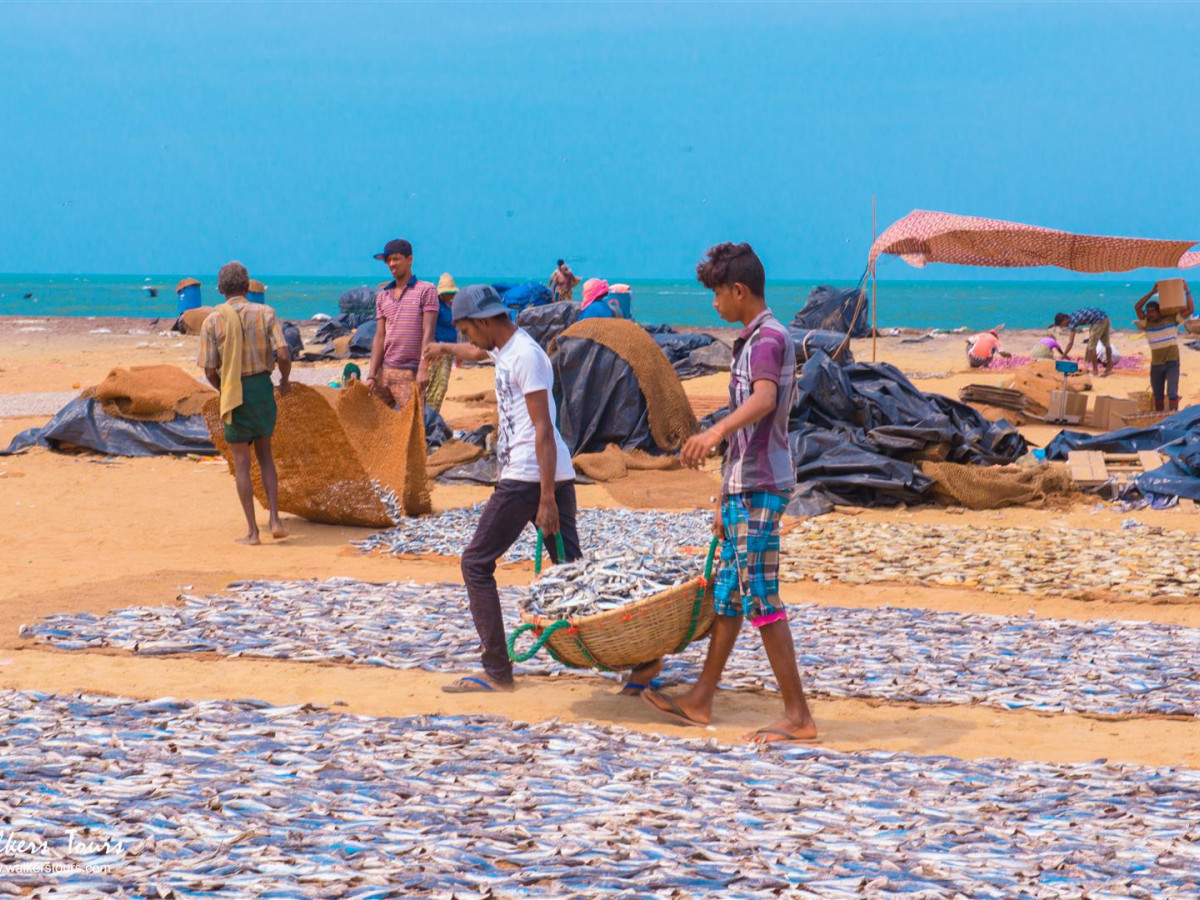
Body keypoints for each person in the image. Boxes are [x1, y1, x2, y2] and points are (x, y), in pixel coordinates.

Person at [642, 242, 817, 744]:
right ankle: (701, 698)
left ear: (739, 290)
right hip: (743, 486)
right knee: (730, 595)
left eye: (718, 293)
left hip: (762, 485)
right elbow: (745, 435)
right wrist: (724, 497)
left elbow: (763, 400)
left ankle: (799, 717)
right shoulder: (752, 339)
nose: (715, 303)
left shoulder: (768, 339)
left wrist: (714, 432)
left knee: (761, 597)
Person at [424, 285, 580, 693]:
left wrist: (546, 500)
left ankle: (496, 669)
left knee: (475, 564)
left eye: (466, 330)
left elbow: (543, 428)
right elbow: (480, 353)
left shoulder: (525, 356)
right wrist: (444, 348)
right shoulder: (506, 348)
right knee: (575, 576)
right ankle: (634, 659)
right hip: (547, 474)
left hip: (529, 477)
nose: (467, 338)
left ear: (483, 321)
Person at [198, 261, 291, 545]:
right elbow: (284, 354)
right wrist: (285, 381)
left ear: (220, 288)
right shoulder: (266, 313)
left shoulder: (212, 321)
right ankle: (275, 520)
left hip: (234, 392)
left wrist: (224, 389)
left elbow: (209, 369)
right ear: (247, 286)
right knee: (266, 457)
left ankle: (253, 532)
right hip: (261, 389)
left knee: (241, 464)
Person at [365, 239, 439, 410]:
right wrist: (372, 375)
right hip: (384, 371)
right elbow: (380, 336)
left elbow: (428, 332)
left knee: (413, 421)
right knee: (374, 419)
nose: (391, 264)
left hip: (410, 372)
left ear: (409, 259)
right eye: (388, 260)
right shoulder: (383, 296)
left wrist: (423, 367)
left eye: (396, 259)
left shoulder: (426, 290)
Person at [1135, 282, 1194, 411]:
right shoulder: (1146, 323)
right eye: (1148, 311)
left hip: (1172, 362)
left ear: (1159, 311)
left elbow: (1190, 309)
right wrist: (1152, 292)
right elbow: (1137, 307)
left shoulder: (1171, 319)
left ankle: (1173, 416)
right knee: (1158, 396)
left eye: (1152, 311)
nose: (1150, 314)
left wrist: (1187, 290)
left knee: (1172, 393)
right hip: (1156, 364)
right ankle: (1161, 417)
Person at [425, 273, 459, 412]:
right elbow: (428, 327)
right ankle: (428, 414)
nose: (451, 295)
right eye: (449, 293)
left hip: (449, 352)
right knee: (436, 385)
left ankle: (432, 414)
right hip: (438, 351)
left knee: (442, 386)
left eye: (452, 293)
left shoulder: (449, 306)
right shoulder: (436, 306)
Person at [1053, 307, 1113, 377]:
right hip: (1105, 318)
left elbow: (1070, 343)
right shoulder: (1073, 315)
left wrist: (1063, 356)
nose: (1063, 326)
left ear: (1065, 319)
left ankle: (1095, 371)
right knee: (1106, 344)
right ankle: (1109, 368)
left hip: (1098, 321)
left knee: (1091, 347)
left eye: (1062, 324)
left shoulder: (1072, 322)